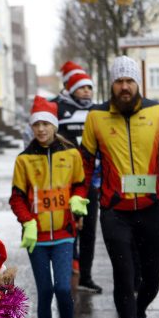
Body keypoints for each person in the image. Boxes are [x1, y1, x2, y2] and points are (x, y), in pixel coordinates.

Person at [80, 55, 159, 318]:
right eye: (119, 81)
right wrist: (80, 201)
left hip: (150, 208)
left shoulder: (157, 112)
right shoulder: (96, 117)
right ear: (111, 84)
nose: (124, 87)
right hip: (114, 211)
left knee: (152, 278)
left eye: (129, 81)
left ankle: (139, 313)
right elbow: (84, 162)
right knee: (124, 278)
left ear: (137, 83)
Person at [9, 96, 88, 318]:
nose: (41, 129)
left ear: (54, 126)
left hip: (65, 234)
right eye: (36, 124)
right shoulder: (24, 160)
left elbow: (80, 184)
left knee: (63, 289)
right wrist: (27, 220)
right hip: (37, 239)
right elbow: (16, 197)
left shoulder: (72, 155)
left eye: (46, 123)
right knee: (44, 292)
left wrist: (78, 201)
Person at [54, 61, 103, 295]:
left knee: (89, 231)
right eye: (82, 87)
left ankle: (86, 275)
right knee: (68, 229)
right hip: (65, 182)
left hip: (90, 181)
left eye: (89, 88)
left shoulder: (97, 110)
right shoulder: (58, 108)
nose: (86, 92)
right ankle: (67, 275)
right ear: (71, 88)